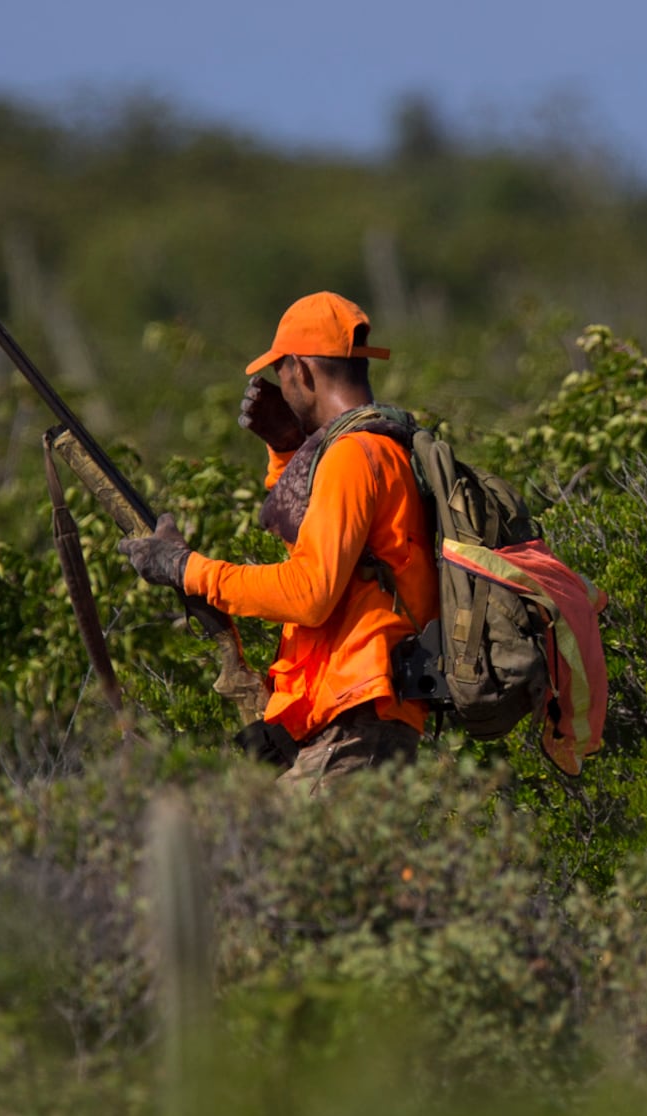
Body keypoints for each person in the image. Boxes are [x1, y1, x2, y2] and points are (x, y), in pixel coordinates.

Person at [118, 292, 438, 787]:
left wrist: (186, 569)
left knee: (264, 861)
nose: (280, 387)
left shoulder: (354, 455)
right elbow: (324, 549)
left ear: (302, 372)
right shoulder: (379, 444)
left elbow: (309, 593)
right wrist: (287, 451)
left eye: (283, 374)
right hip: (350, 717)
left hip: (359, 725)